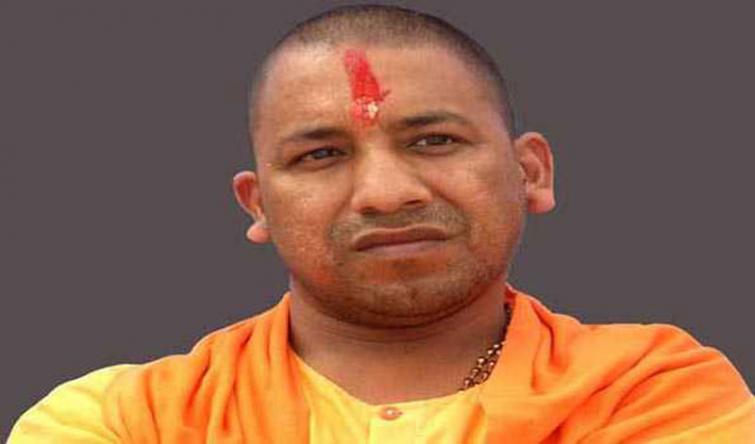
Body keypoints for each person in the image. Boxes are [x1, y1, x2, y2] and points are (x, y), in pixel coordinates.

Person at [9, 5, 754, 443]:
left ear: (530, 171)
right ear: (258, 204)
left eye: (434, 141)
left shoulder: (650, 389)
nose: (386, 193)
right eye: (321, 155)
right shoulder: (124, 419)